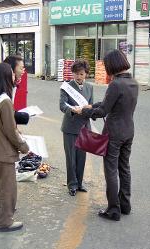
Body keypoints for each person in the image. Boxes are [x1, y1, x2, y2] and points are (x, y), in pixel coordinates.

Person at [79, 50, 139, 221]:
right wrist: (91, 106)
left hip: (114, 133)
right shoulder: (133, 82)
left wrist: (85, 111)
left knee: (111, 170)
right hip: (129, 131)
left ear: (112, 65)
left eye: (106, 65)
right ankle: (125, 205)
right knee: (124, 168)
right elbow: (108, 104)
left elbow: (104, 110)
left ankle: (113, 209)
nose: (105, 68)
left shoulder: (116, 84)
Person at [0, 63, 29, 232]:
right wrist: (25, 146)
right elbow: (11, 131)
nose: (13, 76)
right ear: (4, 78)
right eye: (11, 74)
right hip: (3, 153)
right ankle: (5, 221)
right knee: (8, 189)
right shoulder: (5, 102)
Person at [59, 59, 93, 196]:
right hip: (70, 127)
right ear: (72, 74)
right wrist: (74, 110)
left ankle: (79, 183)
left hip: (84, 127)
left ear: (86, 74)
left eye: (81, 74)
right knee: (71, 158)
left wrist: (90, 108)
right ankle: (72, 184)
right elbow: (62, 106)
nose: (79, 77)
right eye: (76, 74)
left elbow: (91, 105)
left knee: (81, 157)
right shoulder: (66, 87)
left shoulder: (90, 87)